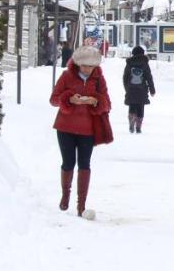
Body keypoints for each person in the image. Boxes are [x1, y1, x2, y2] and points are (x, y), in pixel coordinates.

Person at [50, 44, 112, 217]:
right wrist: (69, 99)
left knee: (85, 164)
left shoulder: (99, 79)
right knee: (68, 163)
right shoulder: (66, 76)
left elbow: (107, 103)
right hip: (65, 127)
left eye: (92, 66)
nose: (88, 70)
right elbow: (54, 99)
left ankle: (81, 205)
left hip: (88, 129)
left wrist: (95, 101)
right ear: (77, 64)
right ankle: (65, 195)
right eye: (85, 66)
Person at [122, 45, 156, 133]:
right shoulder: (145, 63)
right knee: (140, 107)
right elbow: (149, 77)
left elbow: (125, 77)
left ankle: (131, 121)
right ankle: (138, 127)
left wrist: (127, 88)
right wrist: (152, 90)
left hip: (131, 89)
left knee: (132, 106)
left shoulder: (129, 63)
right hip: (142, 89)